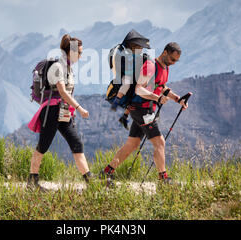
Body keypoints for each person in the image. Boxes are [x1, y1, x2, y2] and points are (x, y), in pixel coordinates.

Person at [101, 42, 188, 185]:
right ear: (165, 52)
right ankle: (163, 179)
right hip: (142, 110)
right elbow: (139, 89)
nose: (173, 63)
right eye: (172, 59)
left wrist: (178, 99)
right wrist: (157, 98)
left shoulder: (164, 67)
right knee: (160, 142)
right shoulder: (151, 66)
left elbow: (161, 87)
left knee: (132, 144)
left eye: (176, 61)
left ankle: (106, 173)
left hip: (144, 109)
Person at [27, 34, 93, 189]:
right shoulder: (58, 67)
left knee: (76, 143)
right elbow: (63, 92)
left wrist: (71, 109)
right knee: (43, 146)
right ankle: (32, 182)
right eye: (80, 52)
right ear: (71, 52)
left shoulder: (68, 68)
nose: (81, 56)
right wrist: (79, 108)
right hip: (51, 111)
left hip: (63, 112)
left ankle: (90, 180)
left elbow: (68, 92)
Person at [110, 30, 151, 130]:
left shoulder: (134, 54)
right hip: (127, 77)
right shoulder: (125, 54)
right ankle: (116, 101)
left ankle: (124, 117)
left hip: (133, 78)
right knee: (127, 85)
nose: (141, 49)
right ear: (134, 46)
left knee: (134, 94)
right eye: (139, 47)